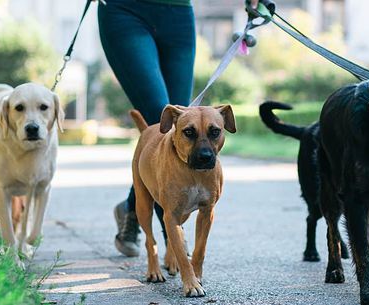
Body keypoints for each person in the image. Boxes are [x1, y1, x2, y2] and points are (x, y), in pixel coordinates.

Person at [97, 0, 259, 257]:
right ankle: (173, 243)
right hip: (124, 10)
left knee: (185, 119)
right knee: (161, 124)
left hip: (178, 12)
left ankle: (132, 207)